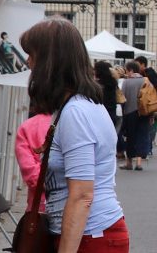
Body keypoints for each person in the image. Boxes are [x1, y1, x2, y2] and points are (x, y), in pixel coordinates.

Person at [20, 18, 129, 252]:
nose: (28, 62)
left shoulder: (76, 111)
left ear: (49, 61)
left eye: (32, 55)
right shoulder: (80, 105)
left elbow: (81, 195)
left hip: (90, 235)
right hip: (90, 232)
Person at [120, 62, 157, 171]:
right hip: (144, 112)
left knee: (130, 137)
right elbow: (151, 98)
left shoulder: (126, 82)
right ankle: (139, 162)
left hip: (129, 112)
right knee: (142, 135)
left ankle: (129, 162)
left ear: (130, 70)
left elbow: (123, 98)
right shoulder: (146, 81)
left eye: (127, 70)